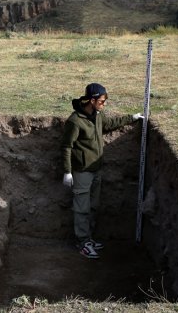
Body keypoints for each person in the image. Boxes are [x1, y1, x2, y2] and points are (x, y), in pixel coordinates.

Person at [61, 83, 143, 259]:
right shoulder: (75, 121)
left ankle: (88, 238)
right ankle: (82, 243)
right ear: (92, 100)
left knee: (93, 206)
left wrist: (133, 117)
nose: (104, 104)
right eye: (102, 101)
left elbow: (110, 124)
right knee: (81, 208)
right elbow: (66, 147)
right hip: (82, 171)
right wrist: (67, 172)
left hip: (96, 169)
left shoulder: (97, 116)